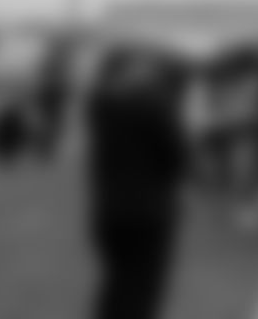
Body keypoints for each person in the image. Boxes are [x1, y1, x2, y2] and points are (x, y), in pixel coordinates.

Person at [86, 46, 188, 319]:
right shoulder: (153, 105)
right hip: (149, 209)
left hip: (110, 207)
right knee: (142, 286)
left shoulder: (101, 105)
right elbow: (176, 157)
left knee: (117, 281)